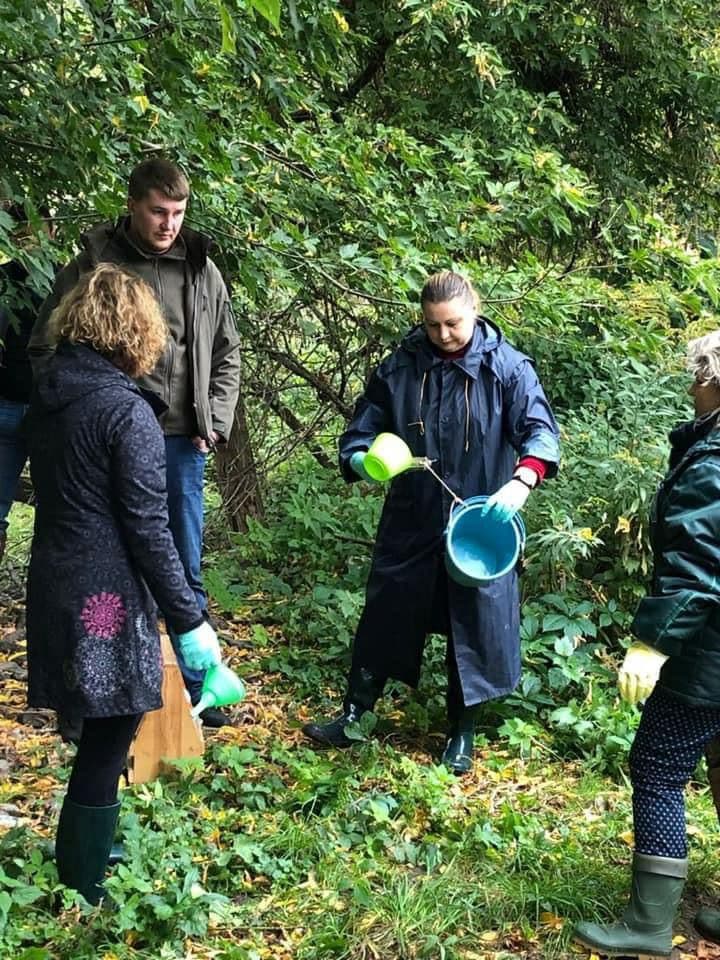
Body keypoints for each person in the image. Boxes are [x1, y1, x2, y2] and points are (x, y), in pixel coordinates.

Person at [302, 270, 560, 773]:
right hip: (412, 519)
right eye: (433, 325)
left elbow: (540, 432)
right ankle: (355, 713)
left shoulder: (507, 369)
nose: (443, 335)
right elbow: (360, 431)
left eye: (453, 324)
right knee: (386, 613)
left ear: (475, 311)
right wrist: (363, 460)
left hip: (480, 526)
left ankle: (461, 733)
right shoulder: (401, 368)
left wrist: (521, 481)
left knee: (475, 622)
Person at [24, 263, 222, 905]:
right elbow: (148, 526)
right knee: (110, 730)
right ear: (135, 332)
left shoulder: (52, 396)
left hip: (56, 580)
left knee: (98, 725)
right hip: (103, 595)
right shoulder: (123, 411)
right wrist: (190, 619)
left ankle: (90, 847)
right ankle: (82, 885)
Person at [29, 158, 241, 726]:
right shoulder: (95, 264)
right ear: (132, 205)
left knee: (179, 560)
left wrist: (212, 419)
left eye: (178, 213)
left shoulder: (201, 270)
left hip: (176, 440)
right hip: (104, 435)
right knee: (110, 566)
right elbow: (45, 348)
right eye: (157, 211)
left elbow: (227, 354)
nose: (168, 224)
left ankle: (192, 691)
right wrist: (75, 413)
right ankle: (103, 690)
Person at [574, 330, 720, 957]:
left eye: (697, 375)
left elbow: (696, 564)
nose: (691, 386)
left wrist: (651, 646)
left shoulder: (714, 462)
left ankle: (648, 926)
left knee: (658, 766)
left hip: (709, 653)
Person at [0, 203, 54, 560]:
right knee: (58, 513)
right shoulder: (64, 280)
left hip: (18, 402)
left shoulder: (4, 279)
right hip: (47, 406)